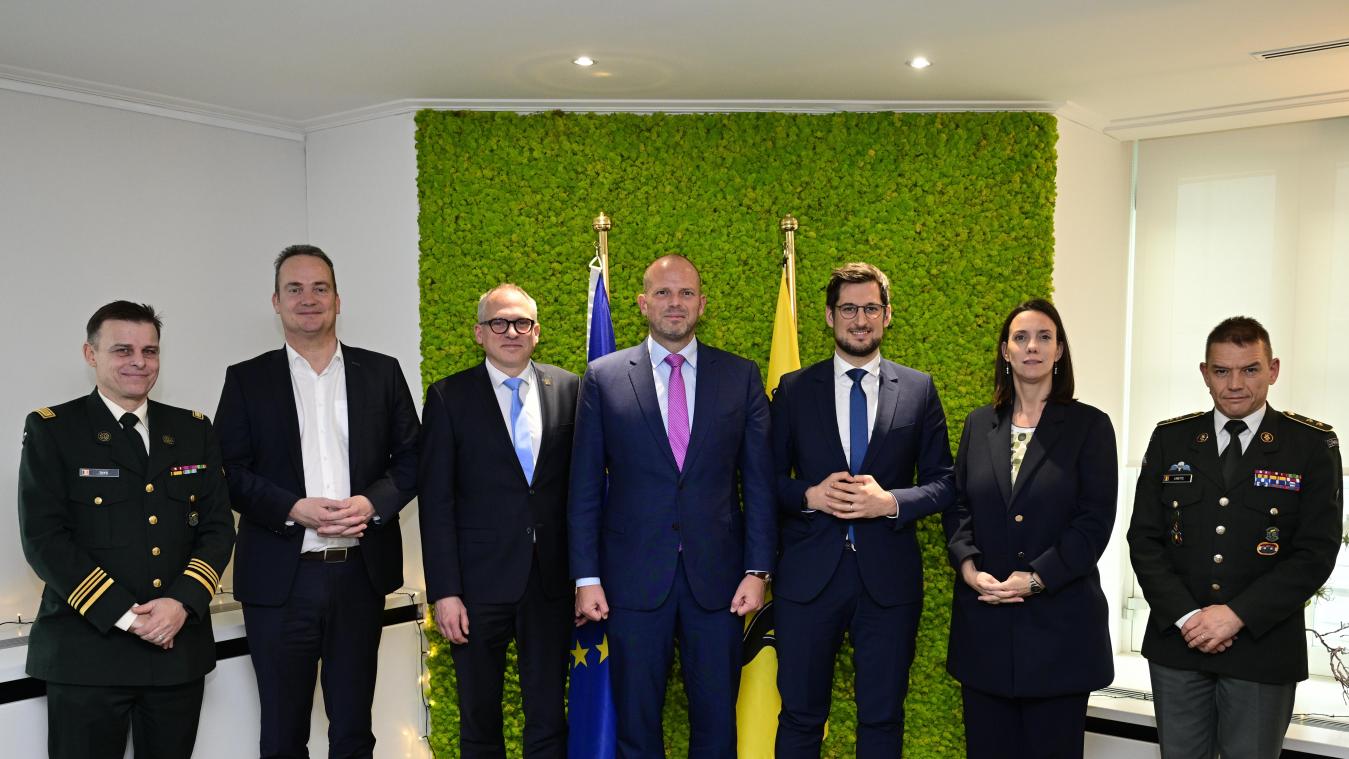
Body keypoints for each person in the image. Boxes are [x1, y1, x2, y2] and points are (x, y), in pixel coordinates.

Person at [214, 245, 420, 758]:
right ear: (277, 302)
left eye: (319, 288)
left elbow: (416, 459)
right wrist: (292, 507)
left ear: (337, 299)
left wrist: (373, 503)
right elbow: (228, 472)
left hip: (359, 576)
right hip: (282, 582)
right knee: (283, 734)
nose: (308, 299)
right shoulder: (247, 379)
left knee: (353, 729)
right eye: (295, 289)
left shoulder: (382, 372)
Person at [569, 254, 776, 759]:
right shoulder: (604, 377)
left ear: (702, 304)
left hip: (720, 583)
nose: (675, 303)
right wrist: (586, 577)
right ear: (642, 303)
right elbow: (584, 487)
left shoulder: (739, 376)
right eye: (663, 293)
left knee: (716, 727)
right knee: (636, 728)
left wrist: (758, 569)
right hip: (632, 583)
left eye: (686, 293)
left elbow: (760, 481)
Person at [17, 301, 235, 759]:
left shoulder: (192, 430)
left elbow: (217, 528)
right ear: (90, 354)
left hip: (176, 652)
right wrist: (127, 615)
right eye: (123, 349)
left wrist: (182, 602)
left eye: (150, 351)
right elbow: (44, 538)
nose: (139, 361)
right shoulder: (54, 430)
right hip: (87, 655)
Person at [1127, 316, 1341, 758]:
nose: (1235, 384)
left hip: (1262, 649)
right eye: (1222, 371)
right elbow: (1145, 540)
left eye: (1250, 369)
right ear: (1205, 373)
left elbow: (1315, 552)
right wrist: (1189, 617)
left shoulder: (1310, 445)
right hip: (1179, 646)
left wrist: (1236, 615)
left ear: (1273, 370)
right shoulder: (1172, 439)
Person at [769, 261, 955, 757]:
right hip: (808, 582)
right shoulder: (792, 390)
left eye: (871, 308)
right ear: (829, 317)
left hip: (888, 584)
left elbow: (944, 484)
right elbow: (762, 482)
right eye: (848, 308)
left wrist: (890, 502)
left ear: (887, 315)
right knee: (800, 719)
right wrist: (808, 495)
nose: (860, 319)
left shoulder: (918, 389)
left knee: (882, 719)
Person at [942, 298, 1117, 759]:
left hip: (1060, 635)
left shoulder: (1090, 427)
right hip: (985, 631)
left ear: (1059, 350)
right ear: (1005, 350)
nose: (1032, 347)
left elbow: (1094, 522)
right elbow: (959, 506)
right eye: (1021, 338)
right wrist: (967, 566)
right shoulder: (980, 424)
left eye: (1044, 337)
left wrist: (1037, 578)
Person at [419, 284, 579, 758]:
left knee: (549, 718)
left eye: (522, 323)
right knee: (479, 719)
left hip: (551, 583)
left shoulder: (570, 388)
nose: (511, 332)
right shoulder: (449, 397)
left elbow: (583, 493)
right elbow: (436, 502)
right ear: (479, 333)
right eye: (499, 323)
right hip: (476, 588)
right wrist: (445, 592)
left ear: (537, 332)